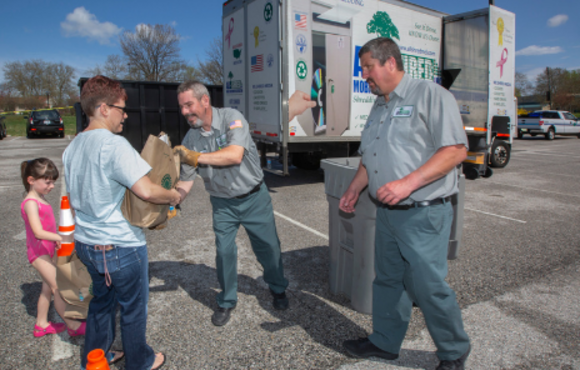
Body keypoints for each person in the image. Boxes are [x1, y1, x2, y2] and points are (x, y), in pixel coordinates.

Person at [339, 38, 471, 370]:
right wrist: (355, 188)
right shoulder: (380, 105)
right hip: (387, 214)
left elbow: (455, 150)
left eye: (369, 67)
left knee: (427, 287)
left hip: (423, 213)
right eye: (363, 68)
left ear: (391, 63)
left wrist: (407, 183)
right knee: (387, 281)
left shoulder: (431, 95)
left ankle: (453, 352)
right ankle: (385, 342)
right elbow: (371, 156)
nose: (365, 74)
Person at [172, 82, 313, 327]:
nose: (185, 112)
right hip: (222, 203)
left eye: (189, 105)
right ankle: (226, 300)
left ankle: (278, 288)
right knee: (224, 252)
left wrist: (194, 156)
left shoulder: (232, 119)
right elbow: (185, 180)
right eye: (181, 107)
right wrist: (173, 201)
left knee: (269, 249)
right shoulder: (191, 139)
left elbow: (234, 154)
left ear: (205, 100)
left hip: (253, 198)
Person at [63, 75, 180, 370]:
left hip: (87, 244)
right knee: (133, 309)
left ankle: (96, 358)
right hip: (120, 246)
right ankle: (140, 361)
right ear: (103, 108)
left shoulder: (72, 147)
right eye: (121, 108)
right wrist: (173, 195)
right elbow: (147, 191)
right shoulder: (113, 145)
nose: (125, 115)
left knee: (101, 303)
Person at [20, 158, 86, 338]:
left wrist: (54, 239)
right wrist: (61, 237)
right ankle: (72, 325)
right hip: (39, 254)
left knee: (47, 289)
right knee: (58, 287)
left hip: (46, 251)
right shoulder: (31, 203)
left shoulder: (39, 198)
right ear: (31, 180)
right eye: (47, 182)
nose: (51, 186)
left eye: (53, 182)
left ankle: (41, 324)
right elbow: (38, 232)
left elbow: (46, 228)